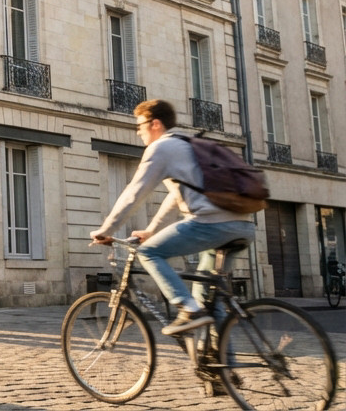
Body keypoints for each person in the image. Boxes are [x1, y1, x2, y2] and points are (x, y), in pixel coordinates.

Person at [90, 99, 256, 335]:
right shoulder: (188, 144)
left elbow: (134, 193)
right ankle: (221, 366)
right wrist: (151, 231)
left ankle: (185, 308)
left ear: (155, 124)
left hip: (212, 225)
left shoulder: (161, 148)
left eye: (140, 126)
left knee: (149, 252)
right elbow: (176, 198)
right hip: (242, 225)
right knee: (210, 300)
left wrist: (106, 229)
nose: (138, 132)